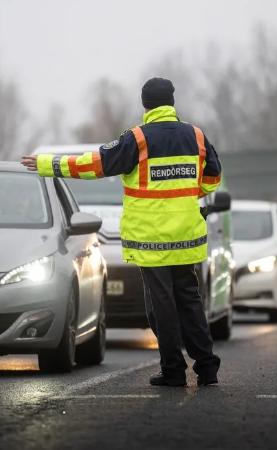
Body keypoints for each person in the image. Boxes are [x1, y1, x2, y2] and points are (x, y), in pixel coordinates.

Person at [20, 77, 223, 385]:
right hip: (186, 238)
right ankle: (207, 368)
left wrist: (48, 164)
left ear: (145, 105)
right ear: (171, 101)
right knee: (190, 300)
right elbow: (213, 177)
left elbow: (94, 165)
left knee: (161, 306)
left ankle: (173, 370)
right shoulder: (195, 136)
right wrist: (185, 196)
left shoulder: (138, 140)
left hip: (153, 241)